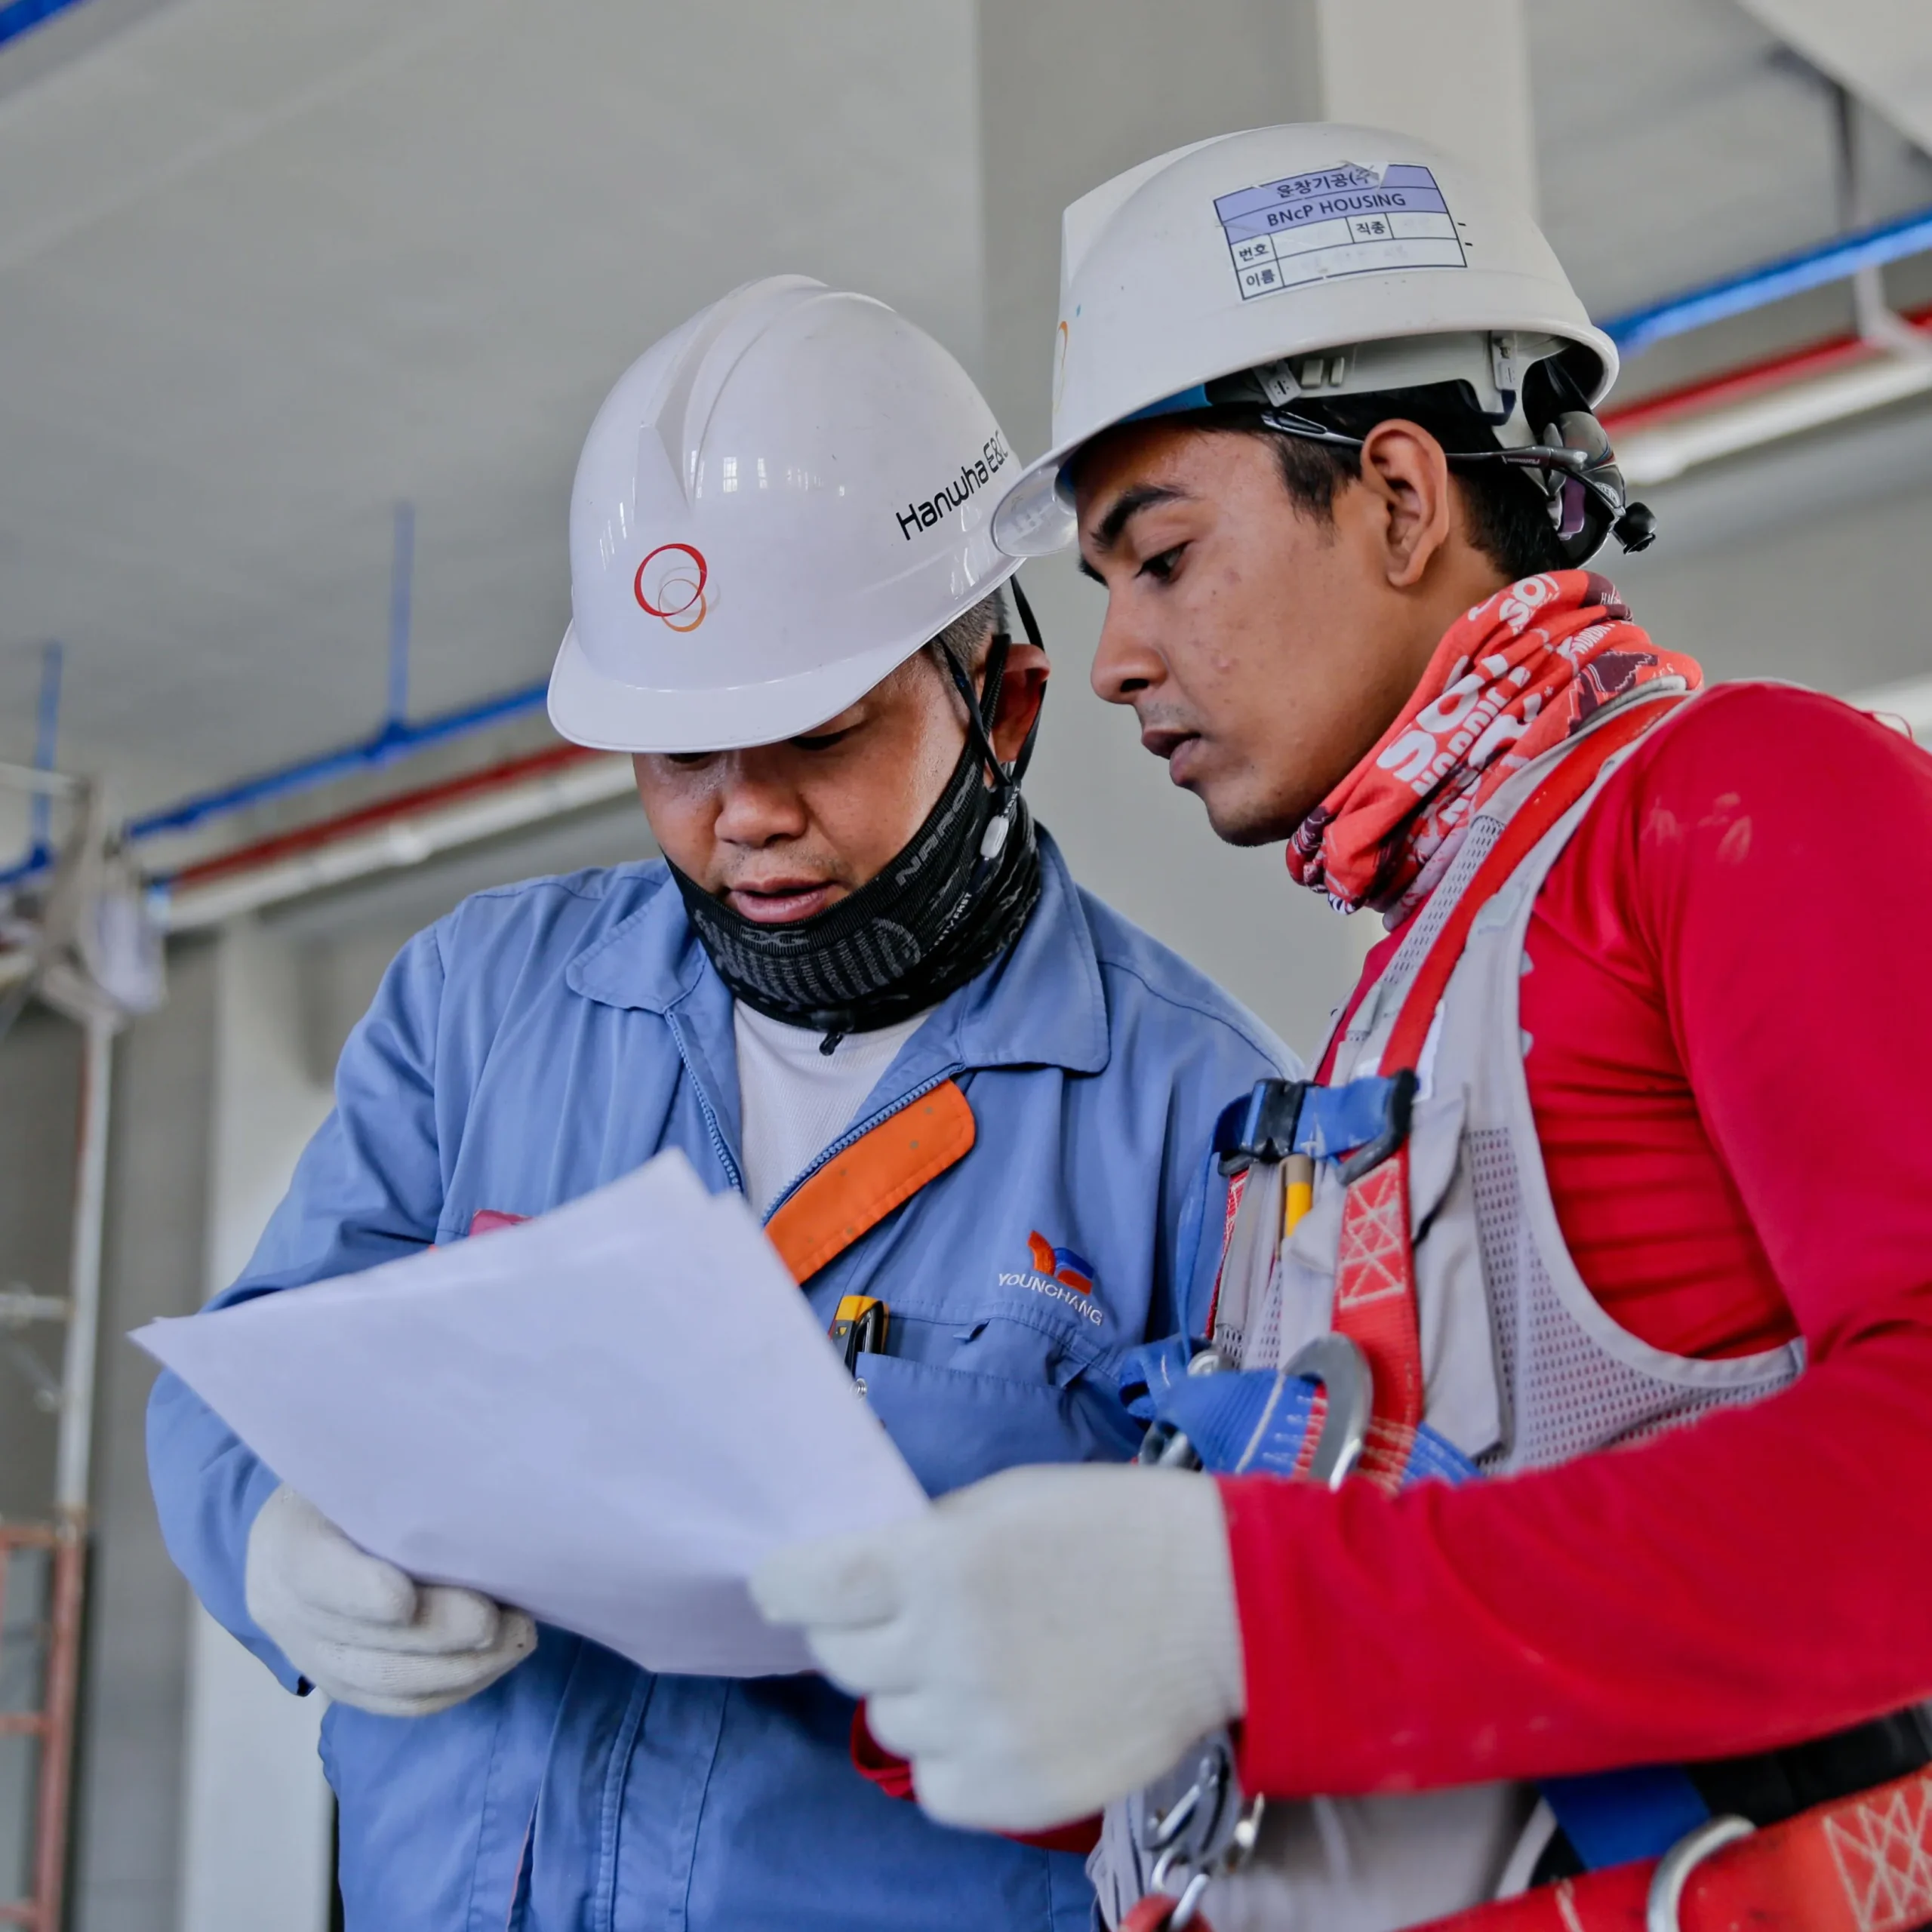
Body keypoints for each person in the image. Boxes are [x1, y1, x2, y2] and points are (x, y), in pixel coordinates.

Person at [752, 131, 1932, 1932]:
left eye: (1156, 558)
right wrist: (1031, 1659)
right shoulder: (1405, 991)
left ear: (1393, 495)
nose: (1120, 658)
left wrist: (1241, 1611)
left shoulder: (1741, 802)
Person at [146, 276, 1294, 1932]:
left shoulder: (1200, 1116)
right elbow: (252, 1363)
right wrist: (272, 1538)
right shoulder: (478, 1006)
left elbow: (1271, 1659)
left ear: (1005, 708)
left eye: (816, 738)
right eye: (679, 752)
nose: (742, 815)